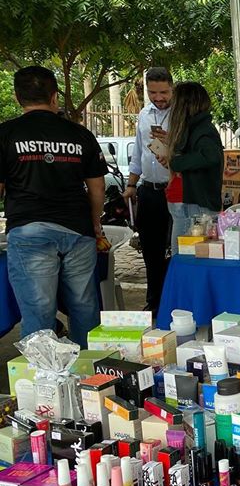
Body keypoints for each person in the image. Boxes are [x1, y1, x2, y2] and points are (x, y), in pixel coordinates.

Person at [0, 66, 106, 346]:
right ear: (54, 96)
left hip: (29, 231)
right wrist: (95, 222)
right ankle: (88, 368)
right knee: (84, 307)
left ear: (18, 97)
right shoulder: (79, 134)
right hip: (78, 230)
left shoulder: (6, 134)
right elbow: (97, 188)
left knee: (38, 312)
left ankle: (44, 372)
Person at [123, 66, 173, 315]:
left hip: (173, 191)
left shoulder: (181, 114)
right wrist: (131, 185)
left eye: (163, 92)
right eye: (153, 92)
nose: (158, 97)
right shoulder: (144, 114)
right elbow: (139, 152)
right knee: (150, 251)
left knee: (173, 250)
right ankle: (153, 302)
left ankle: (173, 301)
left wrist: (169, 141)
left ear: (172, 89)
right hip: (148, 191)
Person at [158, 82, 223, 253]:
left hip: (191, 202)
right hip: (186, 200)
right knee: (184, 256)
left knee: (185, 257)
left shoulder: (202, 129)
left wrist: (176, 162)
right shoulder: (195, 127)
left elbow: (210, 156)